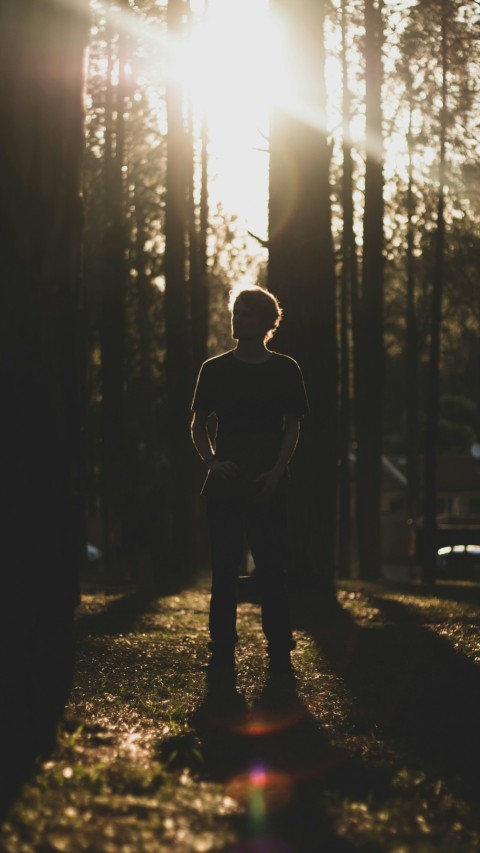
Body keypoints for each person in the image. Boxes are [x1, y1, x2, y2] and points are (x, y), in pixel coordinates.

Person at [191, 285, 308, 672]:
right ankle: (222, 646)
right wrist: (211, 462)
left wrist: (276, 473)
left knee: (273, 568)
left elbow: (292, 428)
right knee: (224, 570)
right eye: (235, 311)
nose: (236, 318)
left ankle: (280, 646)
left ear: (266, 322)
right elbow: (198, 425)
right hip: (225, 484)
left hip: (268, 484)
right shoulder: (213, 369)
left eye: (245, 313)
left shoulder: (286, 369)